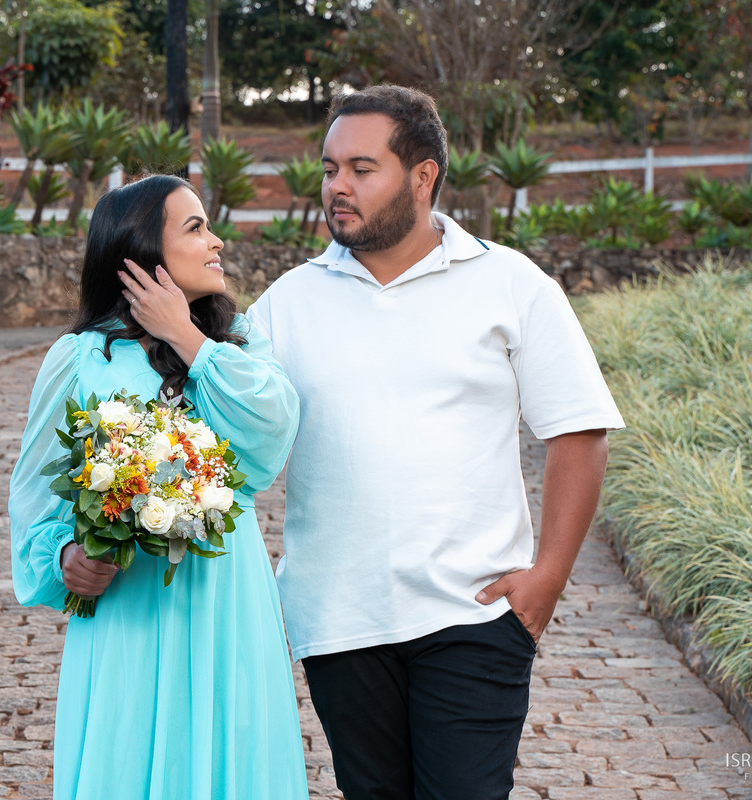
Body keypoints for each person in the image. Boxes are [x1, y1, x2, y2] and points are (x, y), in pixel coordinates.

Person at [246, 85, 625, 800]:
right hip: (338, 619)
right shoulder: (288, 304)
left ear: (422, 176)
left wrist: (546, 580)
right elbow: (219, 419)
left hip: (473, 614)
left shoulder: (511, 284)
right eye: (329, 170)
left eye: (362, 168)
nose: (337, 188)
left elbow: (578, 431)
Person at [9, 174, 308, 799]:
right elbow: (37, 493)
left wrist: (187, 338)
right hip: (128, 607)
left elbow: (270, 437)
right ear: (142, 251)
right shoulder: (80, 358)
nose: (216, 241)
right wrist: (65, 557)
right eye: (196, 228)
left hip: (227, 596)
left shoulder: (238, 343)